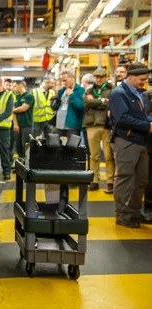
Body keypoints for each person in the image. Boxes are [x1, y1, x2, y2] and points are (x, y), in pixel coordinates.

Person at [108, 62, 152, 228]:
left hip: (140, 141)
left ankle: (133, 212)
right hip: (127, 141)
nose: (144, 82)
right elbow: (123, 118)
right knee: (126, 178)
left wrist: (148, 121)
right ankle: (123, 214)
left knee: (141, 180)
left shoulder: (137, 93)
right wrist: (148, 126)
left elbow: (140, 115)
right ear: (131, 76)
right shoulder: (119, 93)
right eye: (142, 79)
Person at [52, 70, 85, 211]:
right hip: (60, 124)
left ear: (72, 78)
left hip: (72, 124)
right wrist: (55, 101)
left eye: (65, 80)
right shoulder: (61, 91)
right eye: (62, 80)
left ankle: (73, 176)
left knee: (73, 149)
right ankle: (61, 173)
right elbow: (56, 107)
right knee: (59, 149)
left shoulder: (80, 90)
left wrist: (72, 96)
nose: (64, 82)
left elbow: (81, 107)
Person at [83, 68, 115, 193]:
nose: (99, 79)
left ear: (105, 77)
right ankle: (94, 180)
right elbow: (86, 103)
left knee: (108, 155)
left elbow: (111, 104)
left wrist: (96, 101)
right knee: (94, 155)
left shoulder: (111, 90)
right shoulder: (89, 90)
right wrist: (102, 101)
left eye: (101, 76)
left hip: (107, 125)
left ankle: (110, 181)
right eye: (96, 76)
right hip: (92, 124)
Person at [12, 80, 35, 158]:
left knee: (25, 146)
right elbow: (13, 112)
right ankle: (20, 165)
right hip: (18, 126)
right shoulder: (16, 97)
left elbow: (23, 108)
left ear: (21, 85)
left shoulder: (29, 96)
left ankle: (26, 165)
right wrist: (15, 124)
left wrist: (12, 110)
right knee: (18, 147)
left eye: (14, 86)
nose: (13, 88)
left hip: (27, 126)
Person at [143, 83, 152, 222]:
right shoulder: (145, 96)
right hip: (150, 142)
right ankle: (149, 208)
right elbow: (145, 115)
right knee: (150, 178)